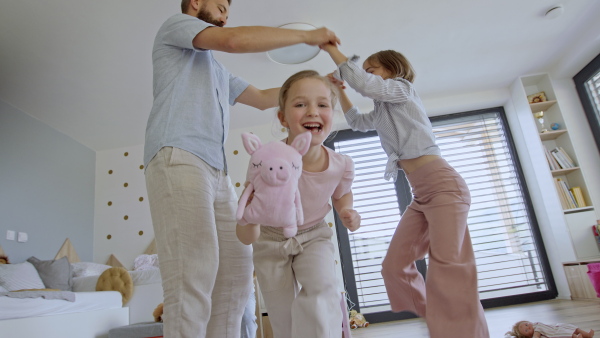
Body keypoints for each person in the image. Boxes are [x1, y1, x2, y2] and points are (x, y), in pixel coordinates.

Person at [143, 0, 341, 336]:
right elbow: (233, 41)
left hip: (216, 171)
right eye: (220, 6)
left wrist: (322, 85)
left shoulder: (215, 69)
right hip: (179, 155)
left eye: (227, 12)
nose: (224, 16)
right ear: (194, 2)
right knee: (193, 271)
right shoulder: (175, 27)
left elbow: (265, 97)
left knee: (237, 270)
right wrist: (306, 37)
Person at [319, 44, 490, 337]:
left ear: (393, 69)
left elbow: (366, 84)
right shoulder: (384, 109)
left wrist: (332, 50)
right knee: (394, 266)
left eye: (373, 70)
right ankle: (444, 317)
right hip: (422, 195)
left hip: (444, 187)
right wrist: (341, 88)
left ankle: (457, 327)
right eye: (368, 70)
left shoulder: (402, 90)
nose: (368, 75)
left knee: (449, 269)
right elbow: (358, 122)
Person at [236, 70, 361, 337]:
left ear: (332, 115)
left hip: (313, 234)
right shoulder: (267, 160)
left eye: (322, 104)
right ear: (282, 118)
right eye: (300, 104)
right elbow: (248, 216)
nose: (312, 112)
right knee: (281, 315)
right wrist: (248, 222)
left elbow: (341, 194)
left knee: (322, 290)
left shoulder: (341, 165)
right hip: (269, 240)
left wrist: (348, 211)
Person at [509, 320, 595, 338]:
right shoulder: (536, 332)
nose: (528, 327)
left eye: (526, 324)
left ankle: (587, 335)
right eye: (526, 330)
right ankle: (576, 337)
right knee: (567, 334)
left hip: (556, 328)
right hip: (555, 333)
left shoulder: (535, 324)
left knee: (574, 328)